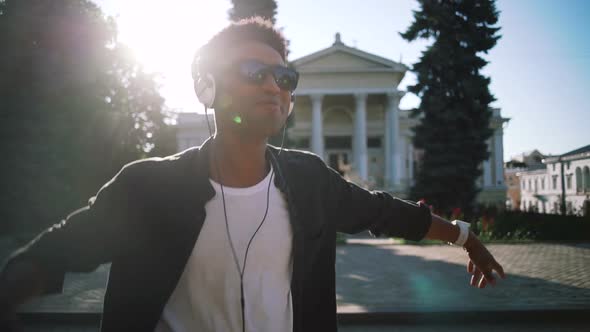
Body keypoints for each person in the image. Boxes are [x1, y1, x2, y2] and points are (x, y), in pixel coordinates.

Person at [0, 17, 505, 332]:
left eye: (285, 78)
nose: (274, 87)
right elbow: (60, 250)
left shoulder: (308, 180)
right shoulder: (148, 187)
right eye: (252, 73)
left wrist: (462, 236)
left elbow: (382, 211)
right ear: (207, 89)